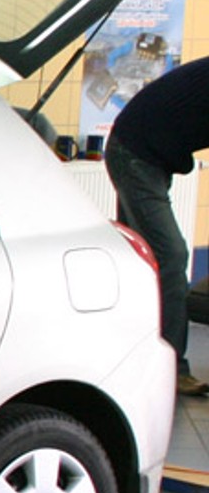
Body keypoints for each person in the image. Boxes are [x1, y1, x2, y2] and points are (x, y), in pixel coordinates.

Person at [104, 54, 209, 398]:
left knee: (139, 260)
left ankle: (127, 354)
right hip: (135, 153)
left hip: (145, 153)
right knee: (171, 255)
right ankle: (171, 368)